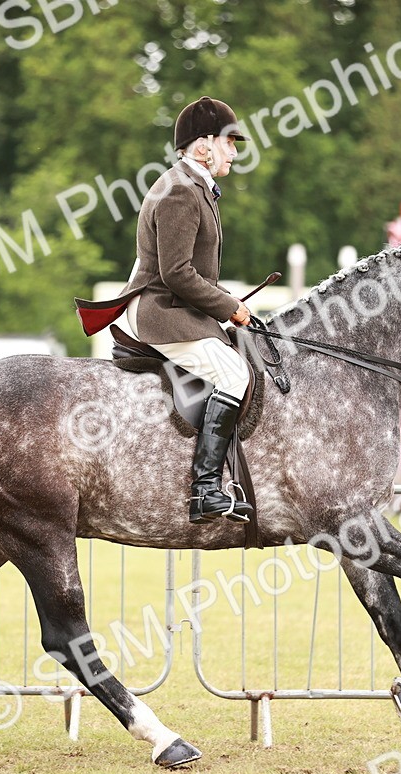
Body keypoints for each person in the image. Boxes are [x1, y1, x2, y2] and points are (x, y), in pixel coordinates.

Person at [74, 97, 253, 524]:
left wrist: (233, 305)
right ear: (203, 145)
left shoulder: (194, 188)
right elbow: (177, 274)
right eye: (229, 142)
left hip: (175, 304)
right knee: (234, 374)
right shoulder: (178, 192)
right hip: (161, 309)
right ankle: (205, 490)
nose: (234, 151)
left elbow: (195, 273)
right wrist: (229, 307)